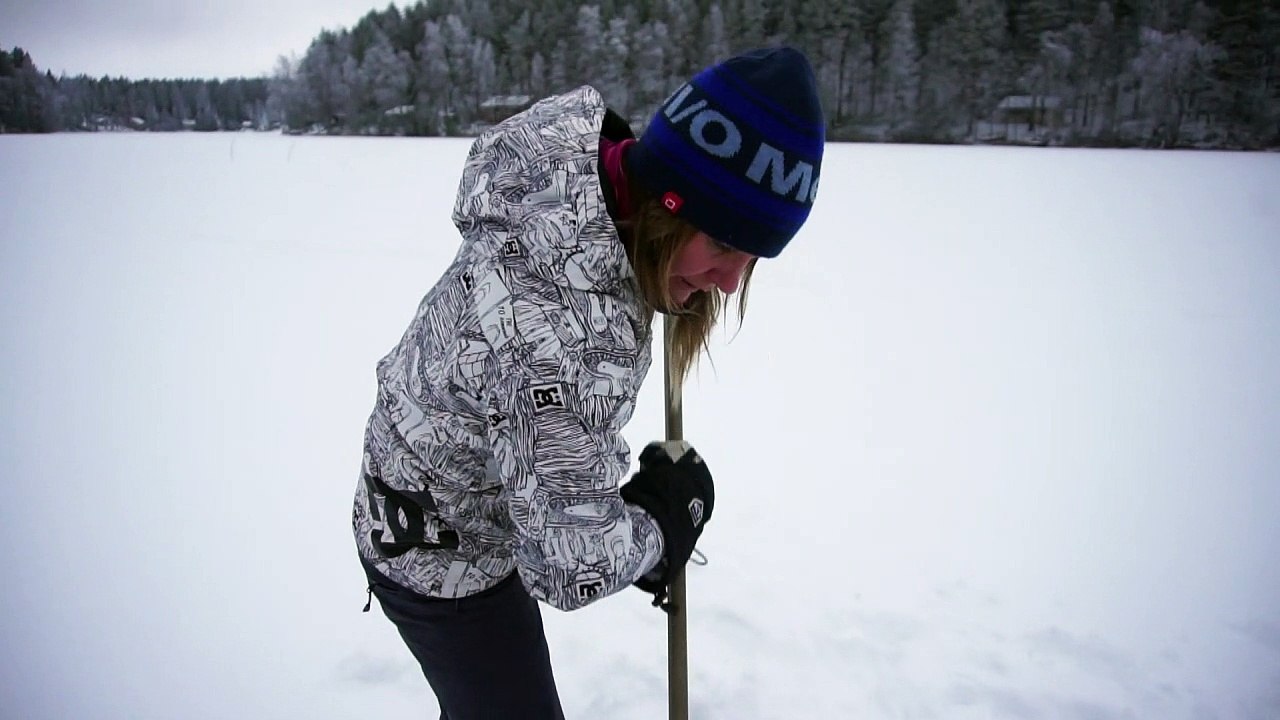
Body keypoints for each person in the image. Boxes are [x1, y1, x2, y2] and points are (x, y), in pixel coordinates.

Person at [352, 46, 825, 719]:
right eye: (722, 246)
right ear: (668, 202)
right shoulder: (554, 337)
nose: (729, 282)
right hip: (436, 550)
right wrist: (660, 527)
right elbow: (569, 564)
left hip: (457, 484)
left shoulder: (581, 180)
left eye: (752, 257)